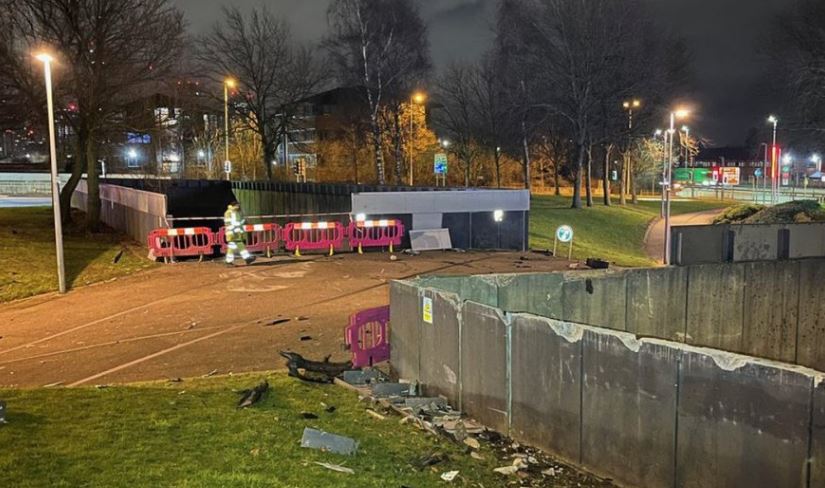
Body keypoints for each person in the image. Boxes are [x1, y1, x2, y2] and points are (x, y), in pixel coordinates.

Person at [223, 201, 256, 265]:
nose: (238, 206)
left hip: (237, 232)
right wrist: (237, 225)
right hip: (232, 233)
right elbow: (228, 223)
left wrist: (242, 223)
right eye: (237, 205)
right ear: (233, 205)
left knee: (240, 245)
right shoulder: (228, 213)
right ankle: (229, 261)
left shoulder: (237, 212)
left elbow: (241, 220)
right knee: (232, 246)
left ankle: (247, 258)